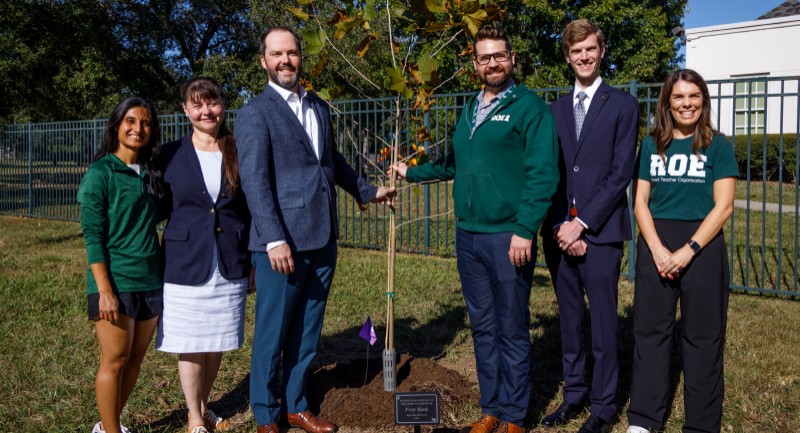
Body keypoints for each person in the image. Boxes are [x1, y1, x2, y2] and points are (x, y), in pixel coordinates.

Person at [392, 26, 559, 433]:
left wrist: (525, 228)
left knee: (512, 328)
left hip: (508, 236)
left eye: (499, 55)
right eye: (484, 58)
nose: (492, 64)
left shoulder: (529, 108)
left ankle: (515, 417)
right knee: (483, 327)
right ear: (475, 64)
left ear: (512, 58)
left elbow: (543, 174)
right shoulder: (471, 107)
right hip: (468, 236)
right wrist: (411, 172)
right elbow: (454, 162)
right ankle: (491, 409)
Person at [234, 26, 395, 433]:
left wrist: (367, 190)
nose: (285, 60)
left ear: (299, 57)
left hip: (323, 237)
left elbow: (331, 162)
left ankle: (296, 404)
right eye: (276, 54)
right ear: (263, 61)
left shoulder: (318, 107)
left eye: (291, 53)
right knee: (272, 335)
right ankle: (266, 415)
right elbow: (254, 181)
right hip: (281, 244)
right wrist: (273, 238)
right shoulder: (255, 113)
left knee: (307, 330)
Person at [540, 19, 639, 433]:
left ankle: (603, 405)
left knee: (602, 322)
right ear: (567, 56)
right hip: (559, 232)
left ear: (601, 52)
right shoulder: (553, 111)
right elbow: (550, 173)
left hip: (601, 231)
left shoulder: (623, 106)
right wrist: (564, 225)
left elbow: (620, 175)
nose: (584, 57)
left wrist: (581, 225)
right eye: (576, 51)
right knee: (568, 321)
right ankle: (575, 393)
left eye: (590, 49)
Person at [625, 69, 737, 433]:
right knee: (649, 332)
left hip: (702, 245)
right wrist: (656, 248)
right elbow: (640, 201)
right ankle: (644, 419)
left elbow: (723, 206)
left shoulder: (717, 145)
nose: (686, 103)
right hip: (656, 241)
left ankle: (702, 425)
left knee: (703, 336)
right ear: (667, 103)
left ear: (702, 101)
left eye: (693, 96)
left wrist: (688, 250)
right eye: (678, 97)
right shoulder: (651, 143)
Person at [156, 77, 254, 433]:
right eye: (196, 105)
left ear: (222, 105)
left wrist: (254, 261)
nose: (205, 111)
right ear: (185, 110)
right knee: (191, 341)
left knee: (218, 340)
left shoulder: (239, 149)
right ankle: (194, 417)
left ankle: (202, 404)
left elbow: (250, 208)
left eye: (211, 103)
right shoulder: (169, 155)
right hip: (185, 262)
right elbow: (157, 204)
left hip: (230, 259)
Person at [77, 98, 164, 433]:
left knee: (135, 359)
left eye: (145, 123)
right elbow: (93, 237)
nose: (137, 129)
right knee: (114, 360)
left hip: (151, 280)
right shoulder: (101, 173)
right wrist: (104, 291)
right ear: (116, 126)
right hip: (115, 281)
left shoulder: (151, 173)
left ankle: (108, 423)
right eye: (130, 121)